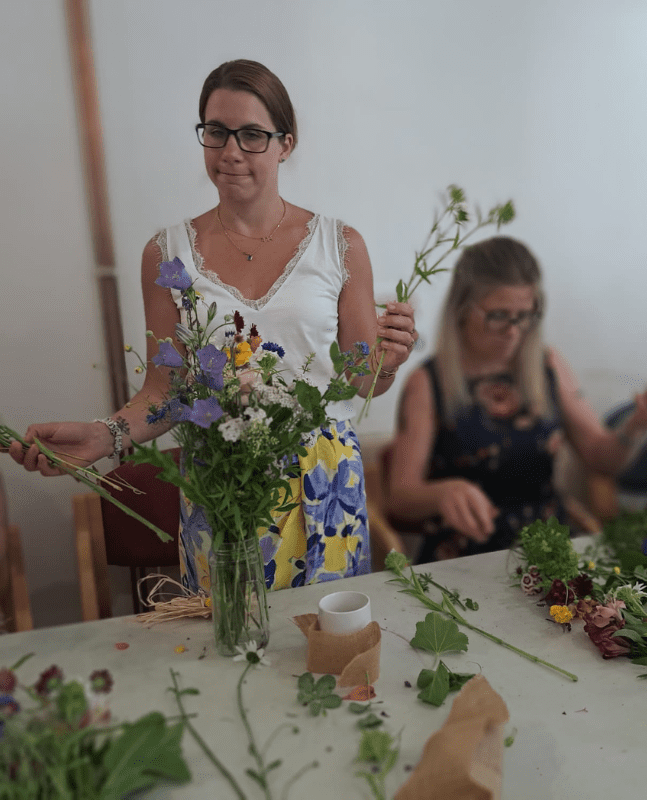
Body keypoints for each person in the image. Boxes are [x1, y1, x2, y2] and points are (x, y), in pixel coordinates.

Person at [9, 59, 417, 592]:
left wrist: (389, 362)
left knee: (327, 655)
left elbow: (360, 381)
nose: (230, 152)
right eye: (216, 132)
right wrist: (103, 435)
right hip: (222, 477)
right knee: (233, 649)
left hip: (324, 479)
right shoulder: (166, 254)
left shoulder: (340, 246)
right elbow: (168, 391)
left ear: (284, 143)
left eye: (251, 135)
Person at [385, 236, 647, 563]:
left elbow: (601, 458)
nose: (514, 331)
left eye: (525, 315)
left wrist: (637, 424)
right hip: (462, 559)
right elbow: (400, 497)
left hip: (547, 554)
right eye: (498, 315)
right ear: (462, 309)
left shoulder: (548, 366)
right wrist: (442, 493)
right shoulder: (428, 382)